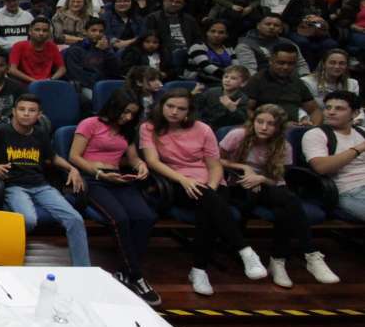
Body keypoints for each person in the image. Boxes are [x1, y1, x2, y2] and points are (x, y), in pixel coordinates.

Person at [140, 89, 266, 296]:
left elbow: (215, 166)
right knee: (210, 208)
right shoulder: (149, 128)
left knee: (207, 209)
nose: (174, 112)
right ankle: (243, 251)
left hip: (211, 183)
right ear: (161, 106)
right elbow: (152, 161)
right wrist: (183, 179)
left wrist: (212, 188)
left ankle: (199, 270)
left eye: (181, 109)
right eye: (170, 106)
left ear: (189, 111)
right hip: (178, 183)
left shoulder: (203, 129)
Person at [219, 104, 339, 287]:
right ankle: (292, 256)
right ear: (253, 122)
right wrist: (245, 168)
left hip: (269, 185)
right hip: (239, 183)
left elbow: (277, 179)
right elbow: (216, 160)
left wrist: (260, 178)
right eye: (260, 122)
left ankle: (287, 260)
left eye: (271, 124)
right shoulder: (238, 135)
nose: (264, 127)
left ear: (279, 127)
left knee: (286, 204)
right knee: (287, 203)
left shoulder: (284, 145)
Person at [68, 91, 158, 304]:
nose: (128, 117)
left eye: (132, 114)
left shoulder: (127, 130)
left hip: (119, 178)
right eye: (125, 112)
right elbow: (74, 156)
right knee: (120, 219)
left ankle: (124, 271)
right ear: (114, 107)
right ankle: (136, 276)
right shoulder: (90, 124)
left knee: (146, 217)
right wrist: (97, 172)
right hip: (94, 178)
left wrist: (141, 165)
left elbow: (133, 158)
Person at [0, 95, 90, 267]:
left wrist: (72, 168)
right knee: (29, 220)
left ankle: (83, 270)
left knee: (75, 219)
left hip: (41, 186)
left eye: (31, 111)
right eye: (22, 109)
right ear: (14, 112)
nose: (26, 114)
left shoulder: (40, 134)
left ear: (39, 115)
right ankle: (9, 257)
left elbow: (52, 157)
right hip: (14, 186)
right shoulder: (1, 132)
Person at [304, 91, 365, 222]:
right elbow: (321, 168)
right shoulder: (315, 134)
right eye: (328, 107)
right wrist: (358, 149)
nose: (331, 112)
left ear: (354, 113)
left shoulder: (362, 132)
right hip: (348, 191)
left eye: (339, 108)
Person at [242, 44, 322, 126]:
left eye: (291, 64)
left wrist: (313, 127)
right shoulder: (257, 80)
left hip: (296, 127)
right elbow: (246, 109)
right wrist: (277, 126)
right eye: (281, 63)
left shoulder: (297, 82)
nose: (285, 67)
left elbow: (314, 110)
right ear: (271, 61)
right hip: (267, 128)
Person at [8, 17, 65, 83]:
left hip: (48, 83)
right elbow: (12, 70)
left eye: (45, 30)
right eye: (37, 30)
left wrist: (51, 80)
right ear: (30, 31)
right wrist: (34, 81)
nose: (41, 33)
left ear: (49, 33)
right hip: (25, 84)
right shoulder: (19, 46)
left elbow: (62, 69)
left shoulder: (52, 46)